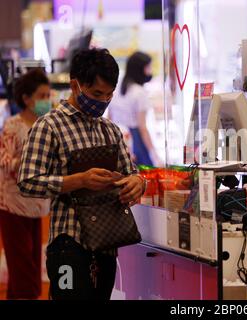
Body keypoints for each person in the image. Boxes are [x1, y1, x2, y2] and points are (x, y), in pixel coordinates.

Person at [17, 49, 146, 300]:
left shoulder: (110, 130)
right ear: (75, 85)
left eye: (109, 94)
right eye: (97, 94)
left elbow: (131, 173)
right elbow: (27, 182)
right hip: (68, 243)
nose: (103, 101)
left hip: (107, 243)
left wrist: (136, 182)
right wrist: (79, 180)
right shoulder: (48, 126)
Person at [0, 69, 51, 299]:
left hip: (37, 205)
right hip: (13, 206)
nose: (47, 100)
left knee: (27, 272)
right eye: (42, 96)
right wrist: (27, 161)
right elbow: (4, 162)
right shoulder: (13, 125)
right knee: (24, 274)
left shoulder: (47, 125)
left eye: (48, 95)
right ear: (26, 99)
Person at [108, 51, 161, 166]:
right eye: (148, 67)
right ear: (140, 69)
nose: (150, 71)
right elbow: (142, 127)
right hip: (136, 140)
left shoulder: (116, 88)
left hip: (117, 137)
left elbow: (109, 118)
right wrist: (154, 154)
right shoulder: (139, 92)